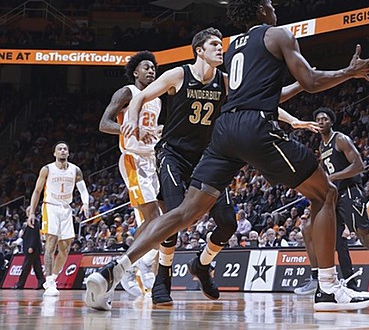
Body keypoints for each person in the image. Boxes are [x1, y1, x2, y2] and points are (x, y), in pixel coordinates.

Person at [85, 0, 369, 312]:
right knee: (325, 193)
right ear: (259, 9)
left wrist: (294, 115)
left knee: (184, 213)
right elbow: (312, 81)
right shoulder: (277, 34)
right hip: (250, 129)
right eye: (270, 4)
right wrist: (349, 72)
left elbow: (269, 92)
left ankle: (114, 269)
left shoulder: (236, 46)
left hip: (224, 132)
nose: (274, 9)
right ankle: (328, 289)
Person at [121, 28, 316, 306]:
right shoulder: (179, 75)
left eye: (220, 45)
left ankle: (202, 265)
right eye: (214, 44)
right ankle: (162, 279)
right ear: (199, 50)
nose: (219, 49)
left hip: (207, 156)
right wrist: (132, 117)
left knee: (227, 224)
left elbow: (256, 101)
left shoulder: (225, 82)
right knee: (174, 219)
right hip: (173, 155)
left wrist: (293, 120)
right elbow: (140, 97)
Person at [294, 107, 369, 298]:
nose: (321, 121)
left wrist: (332, 177)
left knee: (365, 236)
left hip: (350, 192)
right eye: (318, 119)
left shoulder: (340, 139)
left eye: (324, 119)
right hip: (335, 196)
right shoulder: (322, 147)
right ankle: (348, 284)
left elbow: (359, 166)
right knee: (333, 240)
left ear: (331, 122)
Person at [99, 50, 163, 295]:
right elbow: (104, 124)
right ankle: (131, 266)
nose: (151, 71)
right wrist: (133, 130)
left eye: (153, 68)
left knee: (161, 219)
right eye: (146, 67)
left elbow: (150, 128)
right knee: (153, 216)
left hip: (152, 159)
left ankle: (134, 265)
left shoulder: (156, 98)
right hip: (133, 160)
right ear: (135, 72)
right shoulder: (127, 92)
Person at [26, 142, 90, 297]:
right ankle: (48, 281)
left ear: (68, 153)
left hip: (66, 209)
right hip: (51, 207)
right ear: (54, 153)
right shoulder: (47, 169)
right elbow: (37, 191)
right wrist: (32, 212)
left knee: (65, 248)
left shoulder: (75, 170)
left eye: (65, 149)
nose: (62, 151)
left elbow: (83, 189)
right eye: (59, 149)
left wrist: (86, 203)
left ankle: (53, 278)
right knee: (51, 244)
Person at [14, 213, 45, 290]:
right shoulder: (29, 222)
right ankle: (42, 283)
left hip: (32, 248)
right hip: (33, 248)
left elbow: (34, 235)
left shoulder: (33, 221)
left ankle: (20, 284)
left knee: (26, 267)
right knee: (37, 267)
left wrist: (31, 246)